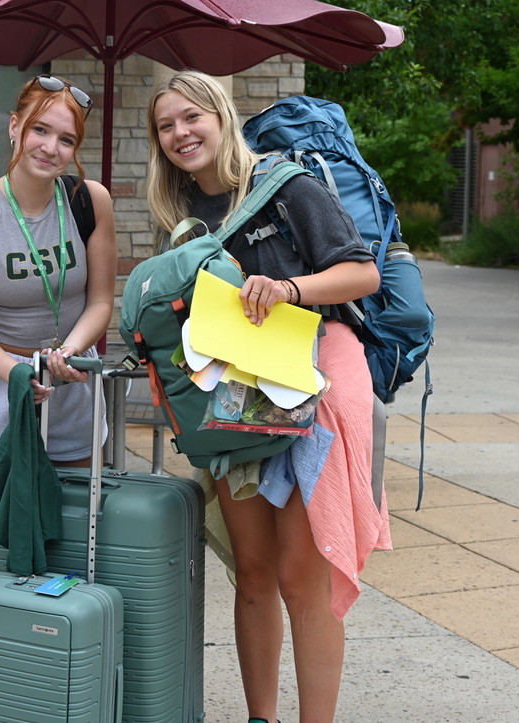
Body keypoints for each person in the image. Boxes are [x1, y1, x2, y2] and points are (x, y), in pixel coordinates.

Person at [146, 70, 391, 723]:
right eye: (166, 125)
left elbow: (361, 271)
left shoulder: (286, 186)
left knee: (299, 576)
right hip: (236, 394)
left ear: (220, 116)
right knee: (251, 571)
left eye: (190, 117)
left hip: (312, 384)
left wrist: (288, 289)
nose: (180, 133)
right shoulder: (181, 221)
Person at [0, 74, 117, 616]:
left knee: (75, 551)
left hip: (71, 387)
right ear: (15, 127)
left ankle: (56, 684)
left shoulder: (91, 202)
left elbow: (101, 301)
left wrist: (67, 354)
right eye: (40, 130)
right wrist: (20, 372)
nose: (51, 147)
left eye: (66, 139)